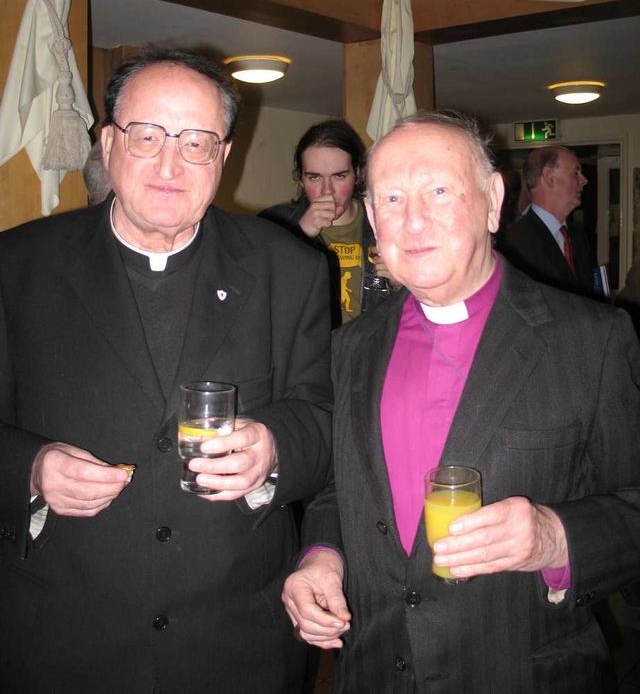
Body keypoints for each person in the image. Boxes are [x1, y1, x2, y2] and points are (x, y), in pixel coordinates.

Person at [0, 49, 334, 694]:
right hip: (61, 641)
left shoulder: (288, 268)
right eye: (147, 136)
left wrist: (274, 446)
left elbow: (325, 416)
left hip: (239, 646)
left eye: (197, 142)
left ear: (224, 156)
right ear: (107, 143)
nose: (169, 164)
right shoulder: (17, 265)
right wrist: (30, 470)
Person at [282, 111, 640, 693]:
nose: (414, 219)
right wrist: (321, 555)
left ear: (493, 199)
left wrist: (554, 536)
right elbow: (337, 485)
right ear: (372, 217)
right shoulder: (351, 347)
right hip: (376, 673)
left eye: (440, 191)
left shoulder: (592, 340)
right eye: (392, 199)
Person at [260, 119, 398, 327]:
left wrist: (401, 281)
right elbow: (255, 293)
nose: (327, 191)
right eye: (315, 178)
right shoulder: (275, 223)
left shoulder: (389, 222)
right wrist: (299, 234)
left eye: (339, 176)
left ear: (357, 174)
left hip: (370, 352)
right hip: (306, 355)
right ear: (301, 179)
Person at [499, 145, 595, 294]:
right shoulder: (516, 242)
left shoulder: (578, 236)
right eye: (575, 173)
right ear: (549, 177)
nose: (584, 180)